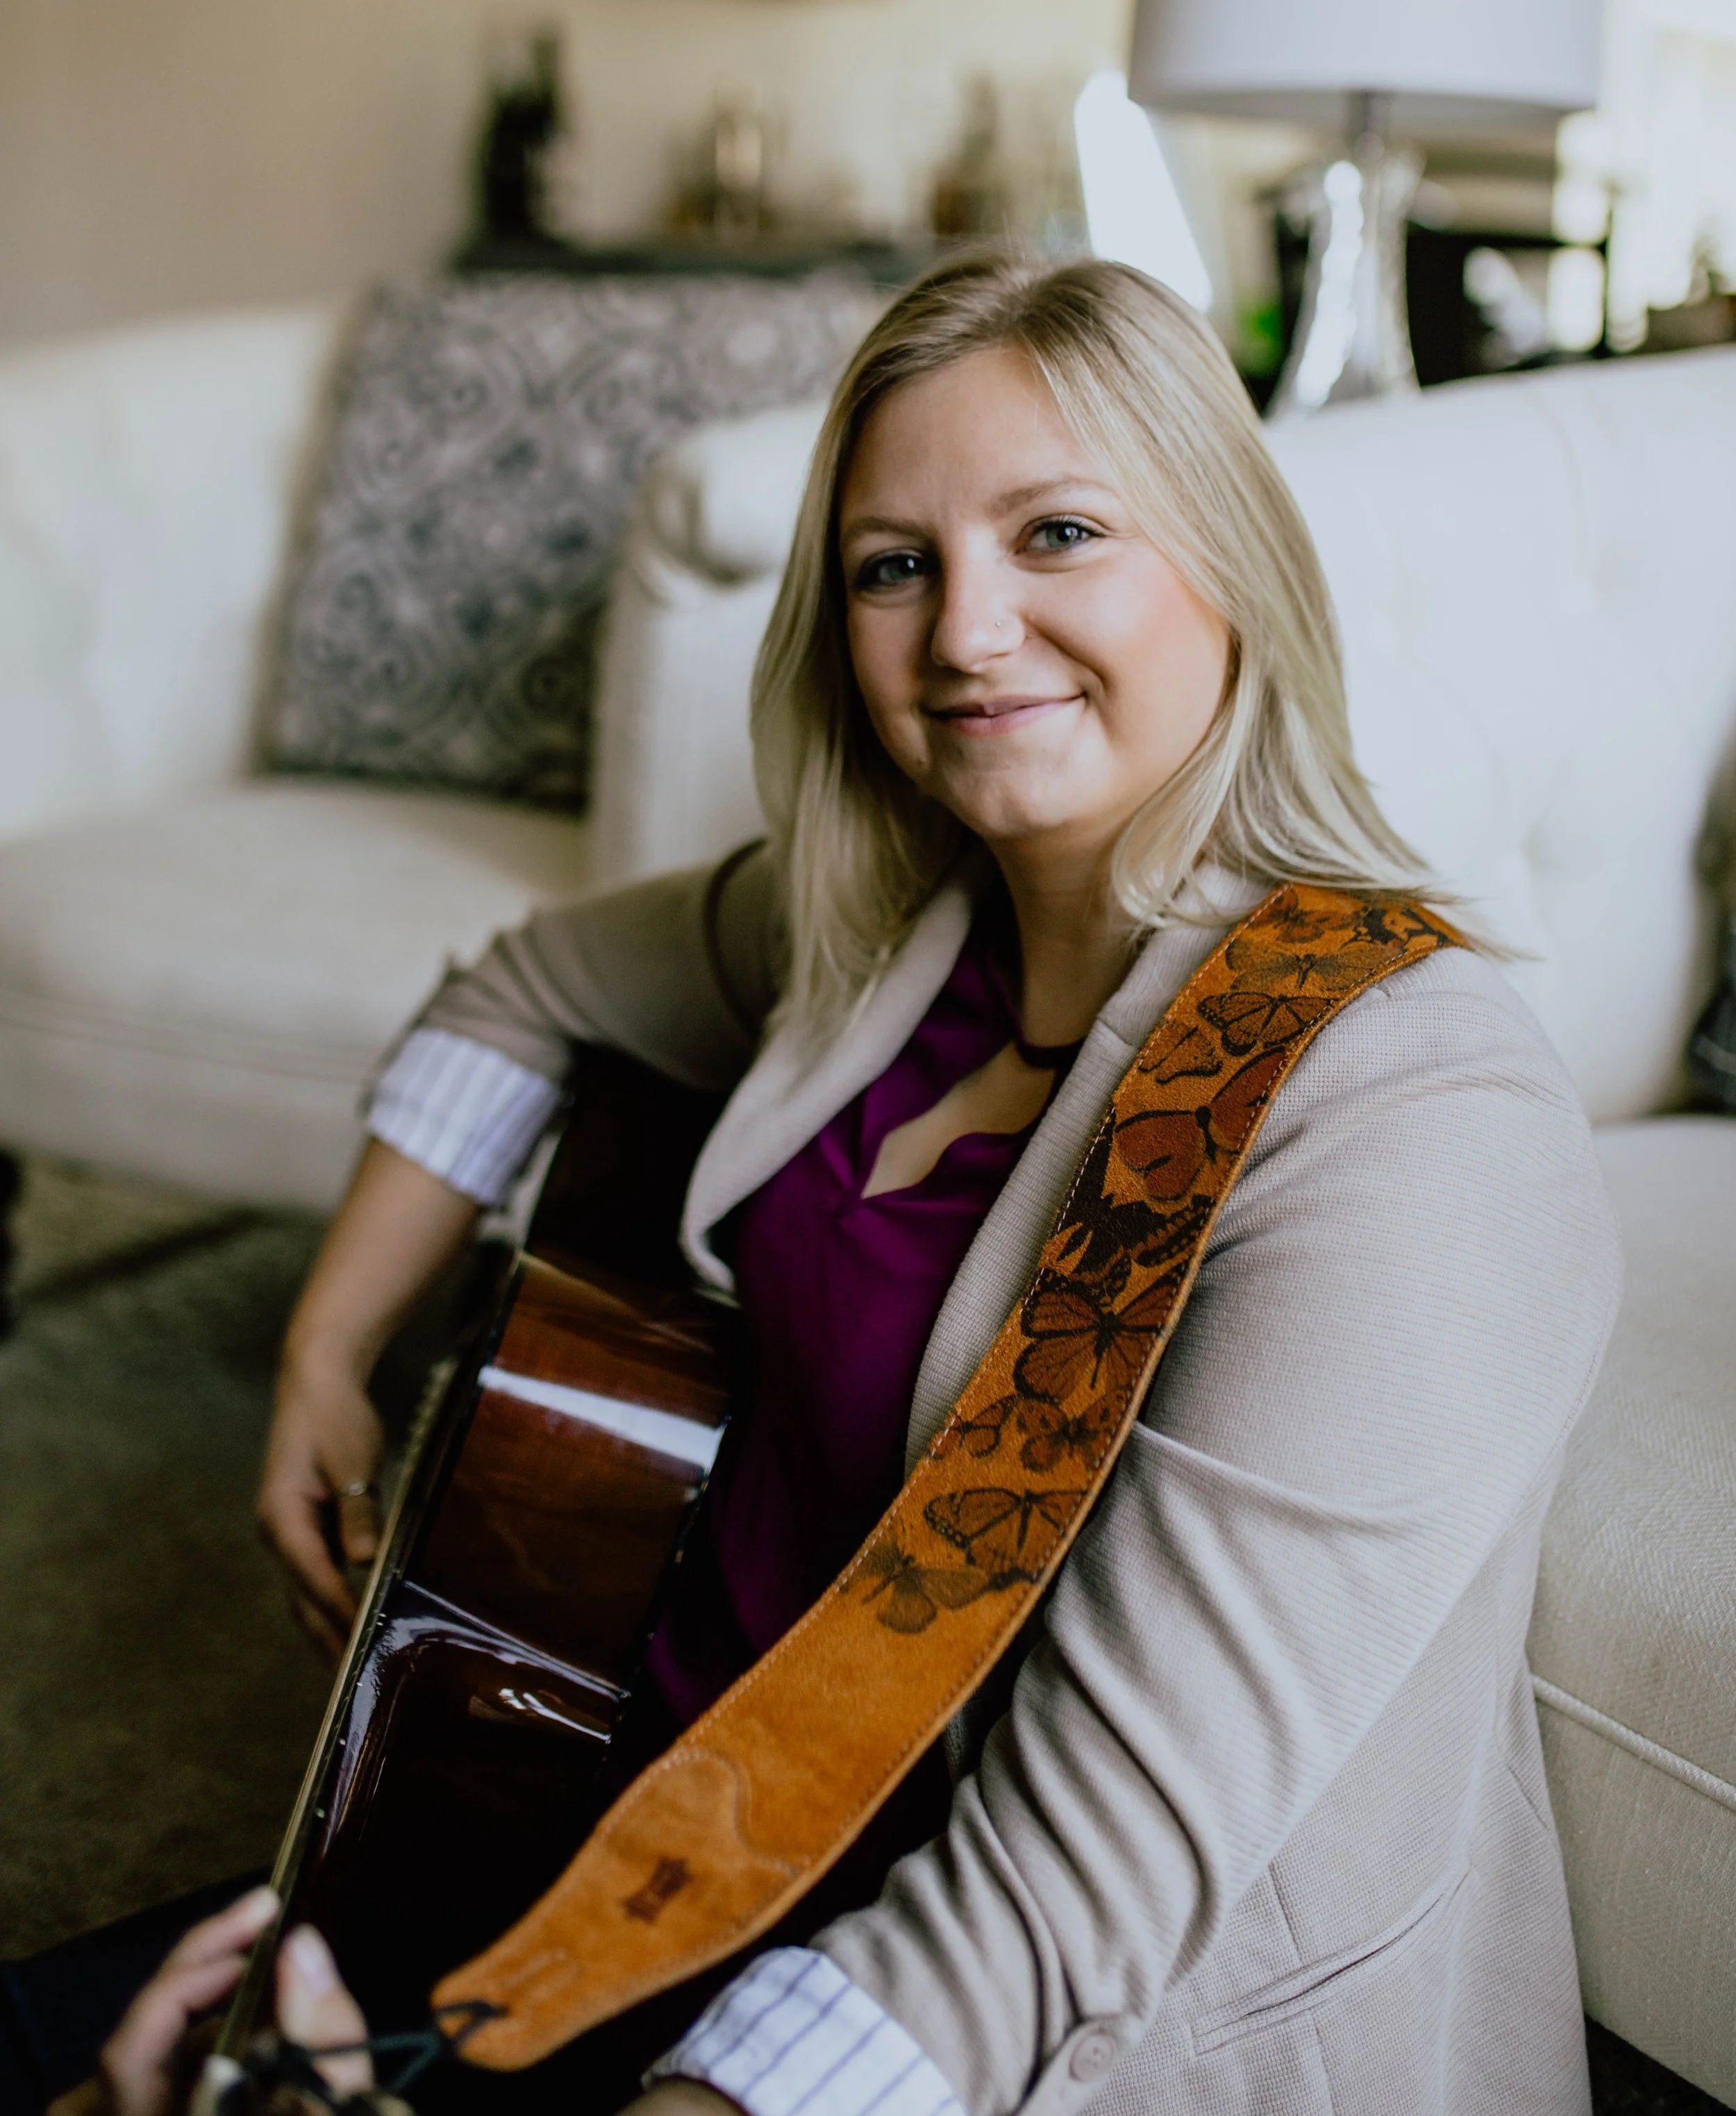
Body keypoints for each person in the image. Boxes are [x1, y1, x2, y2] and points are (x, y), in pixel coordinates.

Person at [247, 253, 1617, 2116]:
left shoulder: (1408, 1112)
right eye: (895, 565)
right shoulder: (891, 930)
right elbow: (524, 988)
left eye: (1055, 533)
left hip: (1015, 2033)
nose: (966, 634)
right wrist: (330, 1350)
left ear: (1229, 561)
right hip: (624, 1847)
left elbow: (1075, 1882)